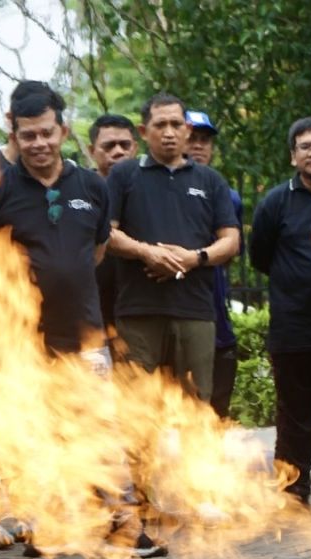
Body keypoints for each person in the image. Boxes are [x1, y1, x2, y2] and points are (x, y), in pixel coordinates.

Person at [0, 89, 165, 559]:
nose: (38, 143)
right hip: (24, 340)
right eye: (28, 135)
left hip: (84, 333)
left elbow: (97, 251)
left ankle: (124, 526)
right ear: (14, 135)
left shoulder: (92, 187)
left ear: (63, 130)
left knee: (101, 431)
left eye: (46, 132)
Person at [106, 92, 240, 401]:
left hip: (194, 310)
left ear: (187, 130)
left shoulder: (211, 180)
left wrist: (195, 258)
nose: (169, 133)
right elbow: (107, 234)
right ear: (143, 132)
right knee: (138, 410)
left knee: (195, 407)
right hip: (138, 310)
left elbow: (231, 240)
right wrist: (147, 252)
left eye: (176, 124)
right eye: (160, 125)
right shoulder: (124, 175)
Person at [250, 116, 311, 507]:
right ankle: (292, 491)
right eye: (305, 146)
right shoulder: (275, 202)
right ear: (293, 157)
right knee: (296, 416)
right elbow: (260, 257)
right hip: (295, 326)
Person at [184, 109, 242, 420]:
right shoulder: (151, 191)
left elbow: (233, 254)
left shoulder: (227, 197)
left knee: (215, 415)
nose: (198, 146)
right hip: (170, 319)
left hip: (214, 319)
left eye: (205, 140)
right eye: (192, 138)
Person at [87, 113, 137, 347]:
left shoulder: (152, 191)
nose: (118, 151)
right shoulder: (78, 190)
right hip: (92, 315)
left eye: (125, 145)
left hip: (139, 312)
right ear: (91, 150)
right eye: (109, 146)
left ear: (135, 148)